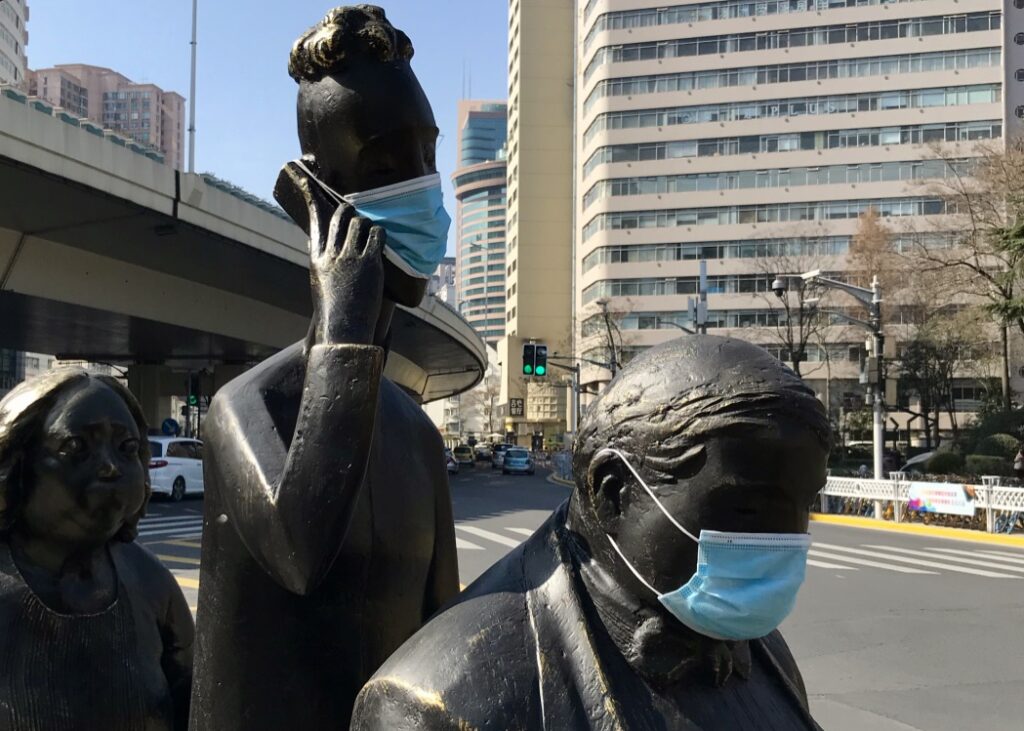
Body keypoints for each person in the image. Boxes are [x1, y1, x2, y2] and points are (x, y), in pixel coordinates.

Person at [188, 7, 459, 730]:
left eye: (427, 155)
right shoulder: (241, 412)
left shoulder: (419, 438)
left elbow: (447, 640)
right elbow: (301, 547)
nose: (424, 187)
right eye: (383, 165)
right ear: (317, 189)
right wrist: (343, 327)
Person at [352, 336, 829, 730]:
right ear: (613, 493)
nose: (785, 541)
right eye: (745, 510)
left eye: (805, 508)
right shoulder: (436, 702)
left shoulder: (757, 646)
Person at [0, 369, 193, 730]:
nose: (109, 467)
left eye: (127, 449)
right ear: (17, 463)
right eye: (76, 448)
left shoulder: (151, 583)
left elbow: (198, 702)